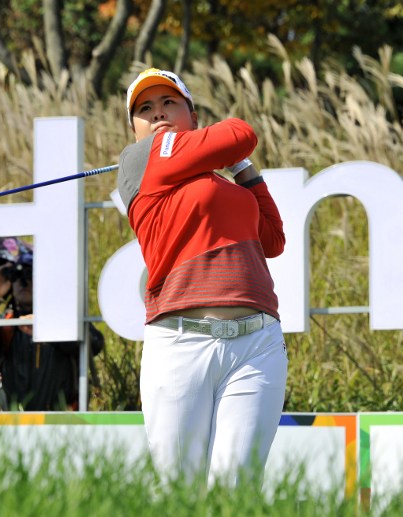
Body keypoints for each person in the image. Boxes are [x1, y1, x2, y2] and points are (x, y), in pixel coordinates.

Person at [118, 68, 288, 485]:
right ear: (136, 126)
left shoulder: (220, 183)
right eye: (145, 108)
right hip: (180, 342)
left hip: (257, 343)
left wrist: (242, 171)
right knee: (179, 491)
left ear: (192, 114)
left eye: (169, 103)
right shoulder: (141, 158)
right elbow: (240, 132)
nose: (158, 114)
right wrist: (232, 153)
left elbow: (272, 239)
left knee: (238, 489)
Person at [0, 256, 104, 411]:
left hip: (61, 421)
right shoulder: (6, 324)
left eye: (31, 275)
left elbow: (95, 343)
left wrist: (48, 328)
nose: (23, 283)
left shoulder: (62, 319)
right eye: (17, 276)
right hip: (15, 423)